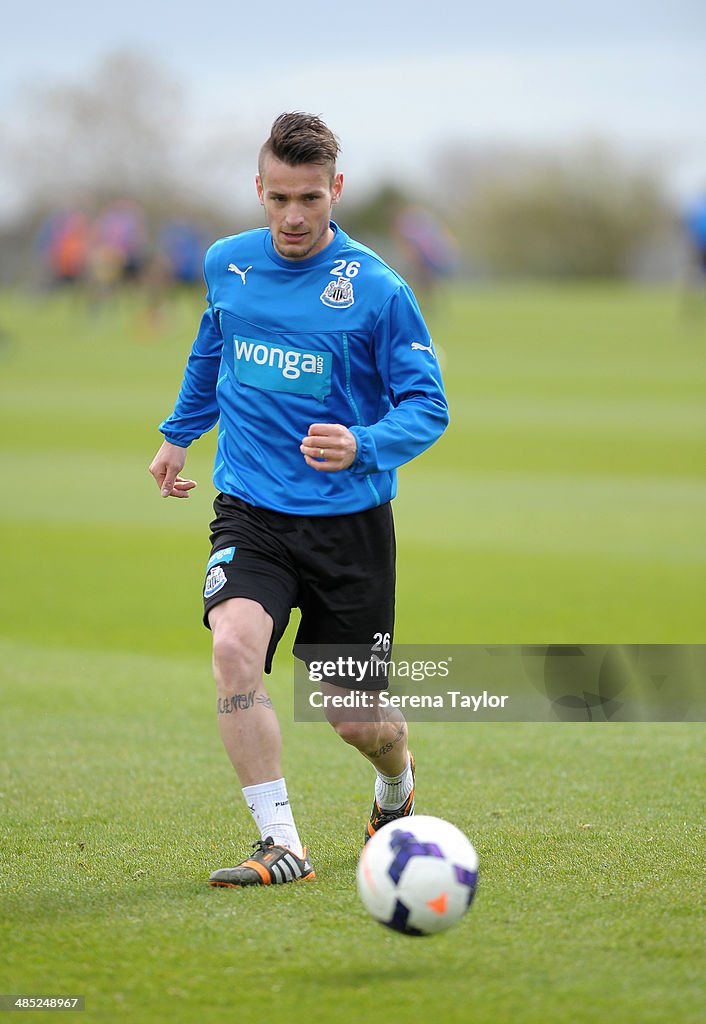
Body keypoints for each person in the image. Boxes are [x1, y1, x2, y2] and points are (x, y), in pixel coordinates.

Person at [148, 112, 448, 888]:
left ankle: (396, 781)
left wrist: (364, 443)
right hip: (250, 510)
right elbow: (212, 347)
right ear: (258, 188)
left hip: (349, 527)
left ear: (335, 190)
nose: (291, 216)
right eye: (277, 197)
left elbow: (428, 406)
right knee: (232, 649)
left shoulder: (379, 289)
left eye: (309, 198)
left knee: (355, 718)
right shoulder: (228, 264)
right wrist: (180, 432)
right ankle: (282, 843)